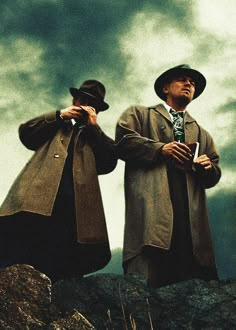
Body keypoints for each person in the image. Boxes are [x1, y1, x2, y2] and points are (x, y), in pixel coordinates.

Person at [0, 79, 117, 282]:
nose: (86, 106)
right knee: (19, 248)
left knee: (60, 260)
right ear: (74, 99)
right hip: (35, 202)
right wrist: (59, 115)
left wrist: (93, 128)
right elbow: (26, 133)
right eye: (83, 100)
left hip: (72, 210)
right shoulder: (54, 125)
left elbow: (109, 162)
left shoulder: (96, 136)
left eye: (93, 104)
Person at [115, 64, 221, 288]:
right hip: (154, 211)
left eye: (192, 83)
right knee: (149, 283)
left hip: (189, 216)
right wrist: (161, 149)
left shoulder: (202, 132)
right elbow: (123, 143)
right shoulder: (140, 114)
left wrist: (208, 167)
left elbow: (214, 172)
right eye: (182, 80)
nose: (189, 84)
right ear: (165, 88)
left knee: (194, 283)